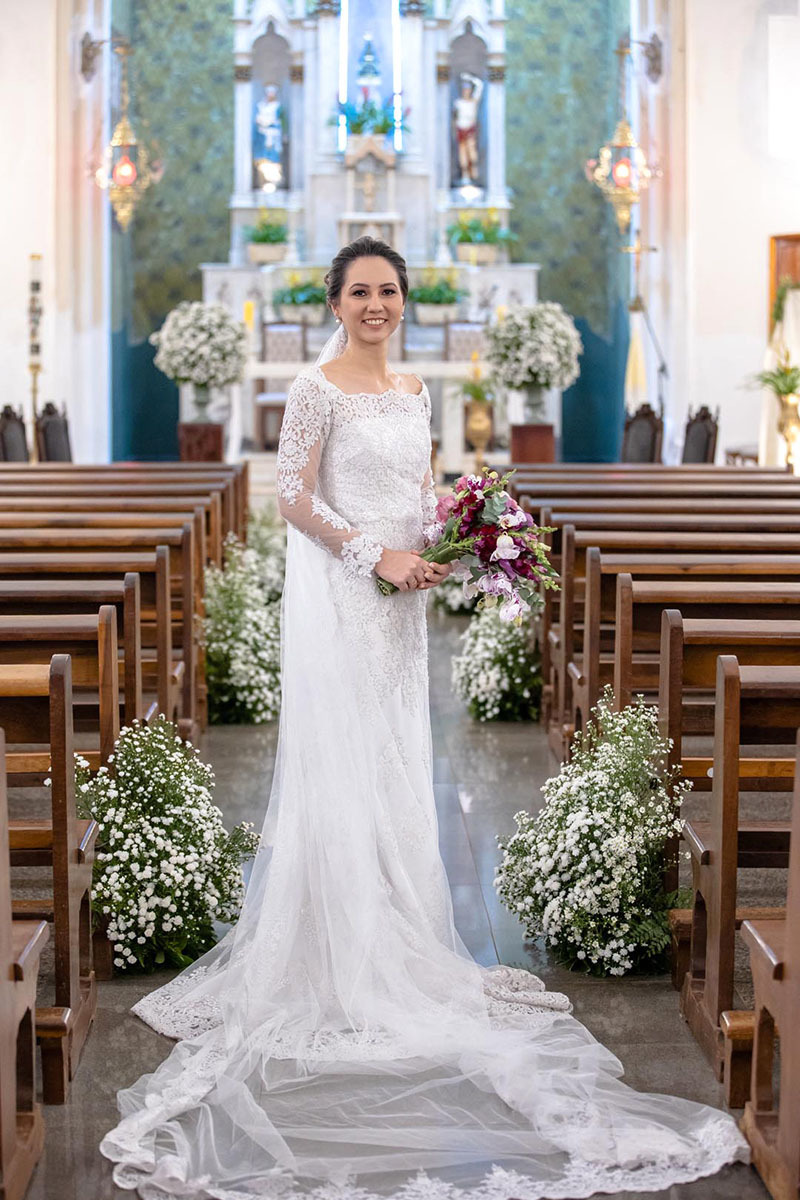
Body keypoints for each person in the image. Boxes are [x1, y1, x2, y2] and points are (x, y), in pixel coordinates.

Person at [100, 236, 748, 1200]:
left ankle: (401, 917)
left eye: (389, 291)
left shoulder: (414, 391)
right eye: (360, 291)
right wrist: (377, 556)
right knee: (346, 753)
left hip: (405, 604)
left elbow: (419, 487)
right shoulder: (316, 386)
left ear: (405, 299)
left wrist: (460, 532)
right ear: (334, 300)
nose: (377, 305)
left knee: (400, 754)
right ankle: (339, 939)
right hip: (348, 595)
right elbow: (289, 495)